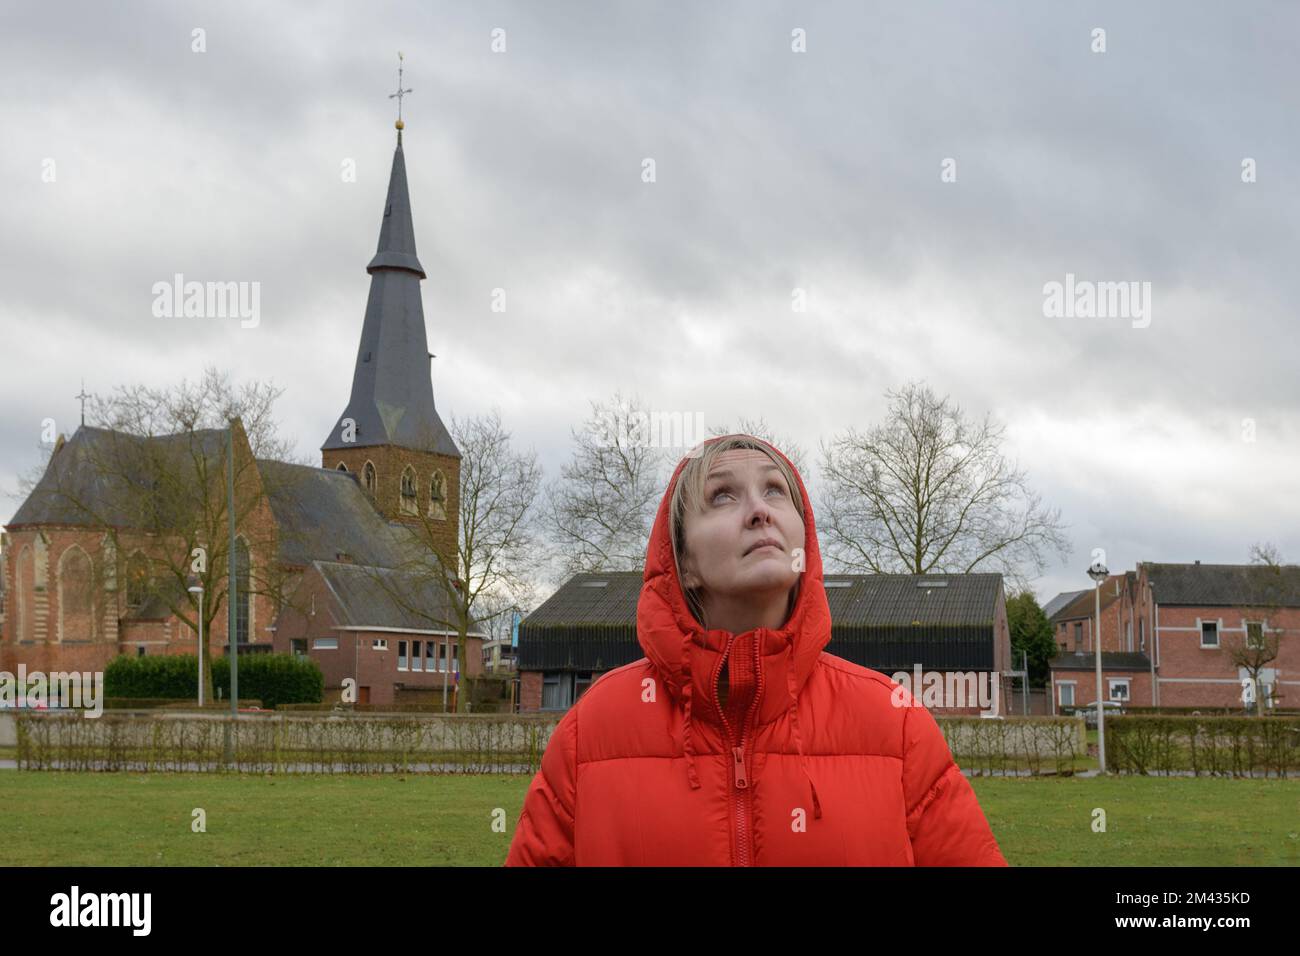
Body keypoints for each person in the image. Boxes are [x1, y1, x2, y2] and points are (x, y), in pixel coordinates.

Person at [505, 433, 1008, 866]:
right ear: (684, 562)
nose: (759, 510)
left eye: (775, 490)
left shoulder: (896, 724)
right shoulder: (589, 733)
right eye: (722, 496)